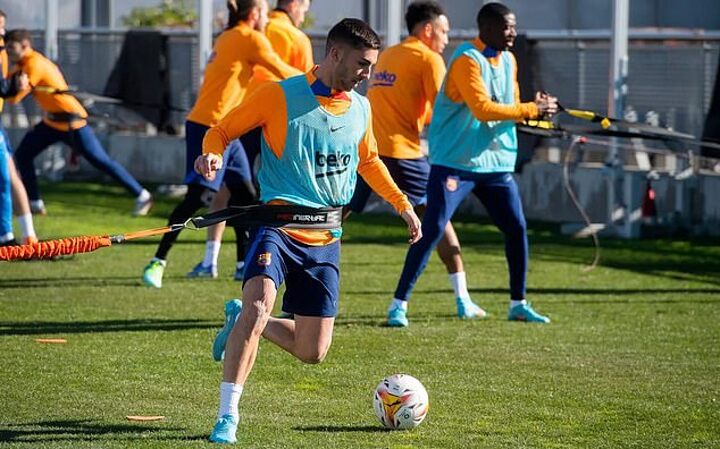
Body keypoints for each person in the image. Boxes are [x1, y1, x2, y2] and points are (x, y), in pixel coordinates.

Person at [194, 18, 421, 443]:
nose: (367, 73)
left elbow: (369, 161)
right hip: (278, 228)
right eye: (362, 64)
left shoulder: (361, 108)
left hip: (326, 239)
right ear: (335, 54)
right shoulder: (279, 95)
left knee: (311, 351)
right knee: (259, 303)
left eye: (371, 65)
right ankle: (228, 415)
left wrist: (402, 204)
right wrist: (211, 155)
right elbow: (221, 131)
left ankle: (242, 318)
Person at [388, 2, 558, 325]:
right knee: (433, 228)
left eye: (514, 26)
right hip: (454, 162)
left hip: (494, 164)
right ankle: (399, 305)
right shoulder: (467, 59)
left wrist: (539, 112)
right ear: (487, 29)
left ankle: (518, 303)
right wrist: (530, 110)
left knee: (516, 228)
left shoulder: (509, 59)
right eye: (507, 27)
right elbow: (482, 108)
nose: (513, 33)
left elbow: (511, 107)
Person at [141, 0, 301, 288]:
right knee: (198, 198)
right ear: (254, 14)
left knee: (245, 197)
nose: (267, 20)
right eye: (265, 14)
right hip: (209, 127)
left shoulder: (228, 36)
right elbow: (282, 70)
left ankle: (242, 265)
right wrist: (321, 78)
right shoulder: (250, 38)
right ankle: (157, 261)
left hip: (226, 128)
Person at [346, 1, 484, 327]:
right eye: (444, 32)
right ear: (427, 30)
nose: (446, 39)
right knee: (439, 218)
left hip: (368, 149)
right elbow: (445, 110)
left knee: (334, 217)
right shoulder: (429, 59)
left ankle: (297, 280)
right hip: (403, 154)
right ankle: (460, 300)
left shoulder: (389, 54)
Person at [188, 0, 314, 281]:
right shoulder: (293, 37)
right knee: (268, 192)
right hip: (278, 122)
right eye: (305, 7)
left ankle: (212, 260)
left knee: (228, 191)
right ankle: (260, 258)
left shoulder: (243, 33)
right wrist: (324, 80)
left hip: (242, 118)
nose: (305, 14)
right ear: (294, 5)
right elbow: (301, 82)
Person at [4, 29, 153, 218]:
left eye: (12, 48)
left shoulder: (34, 64)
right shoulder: (21, 64)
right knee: (23, 156)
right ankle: (34, 203)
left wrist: (12, 87)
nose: (8, 52)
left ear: (25, 46)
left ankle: (142, 195)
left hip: (71, 122)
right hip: (51, 122)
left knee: (100, 161)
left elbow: (14, 97)